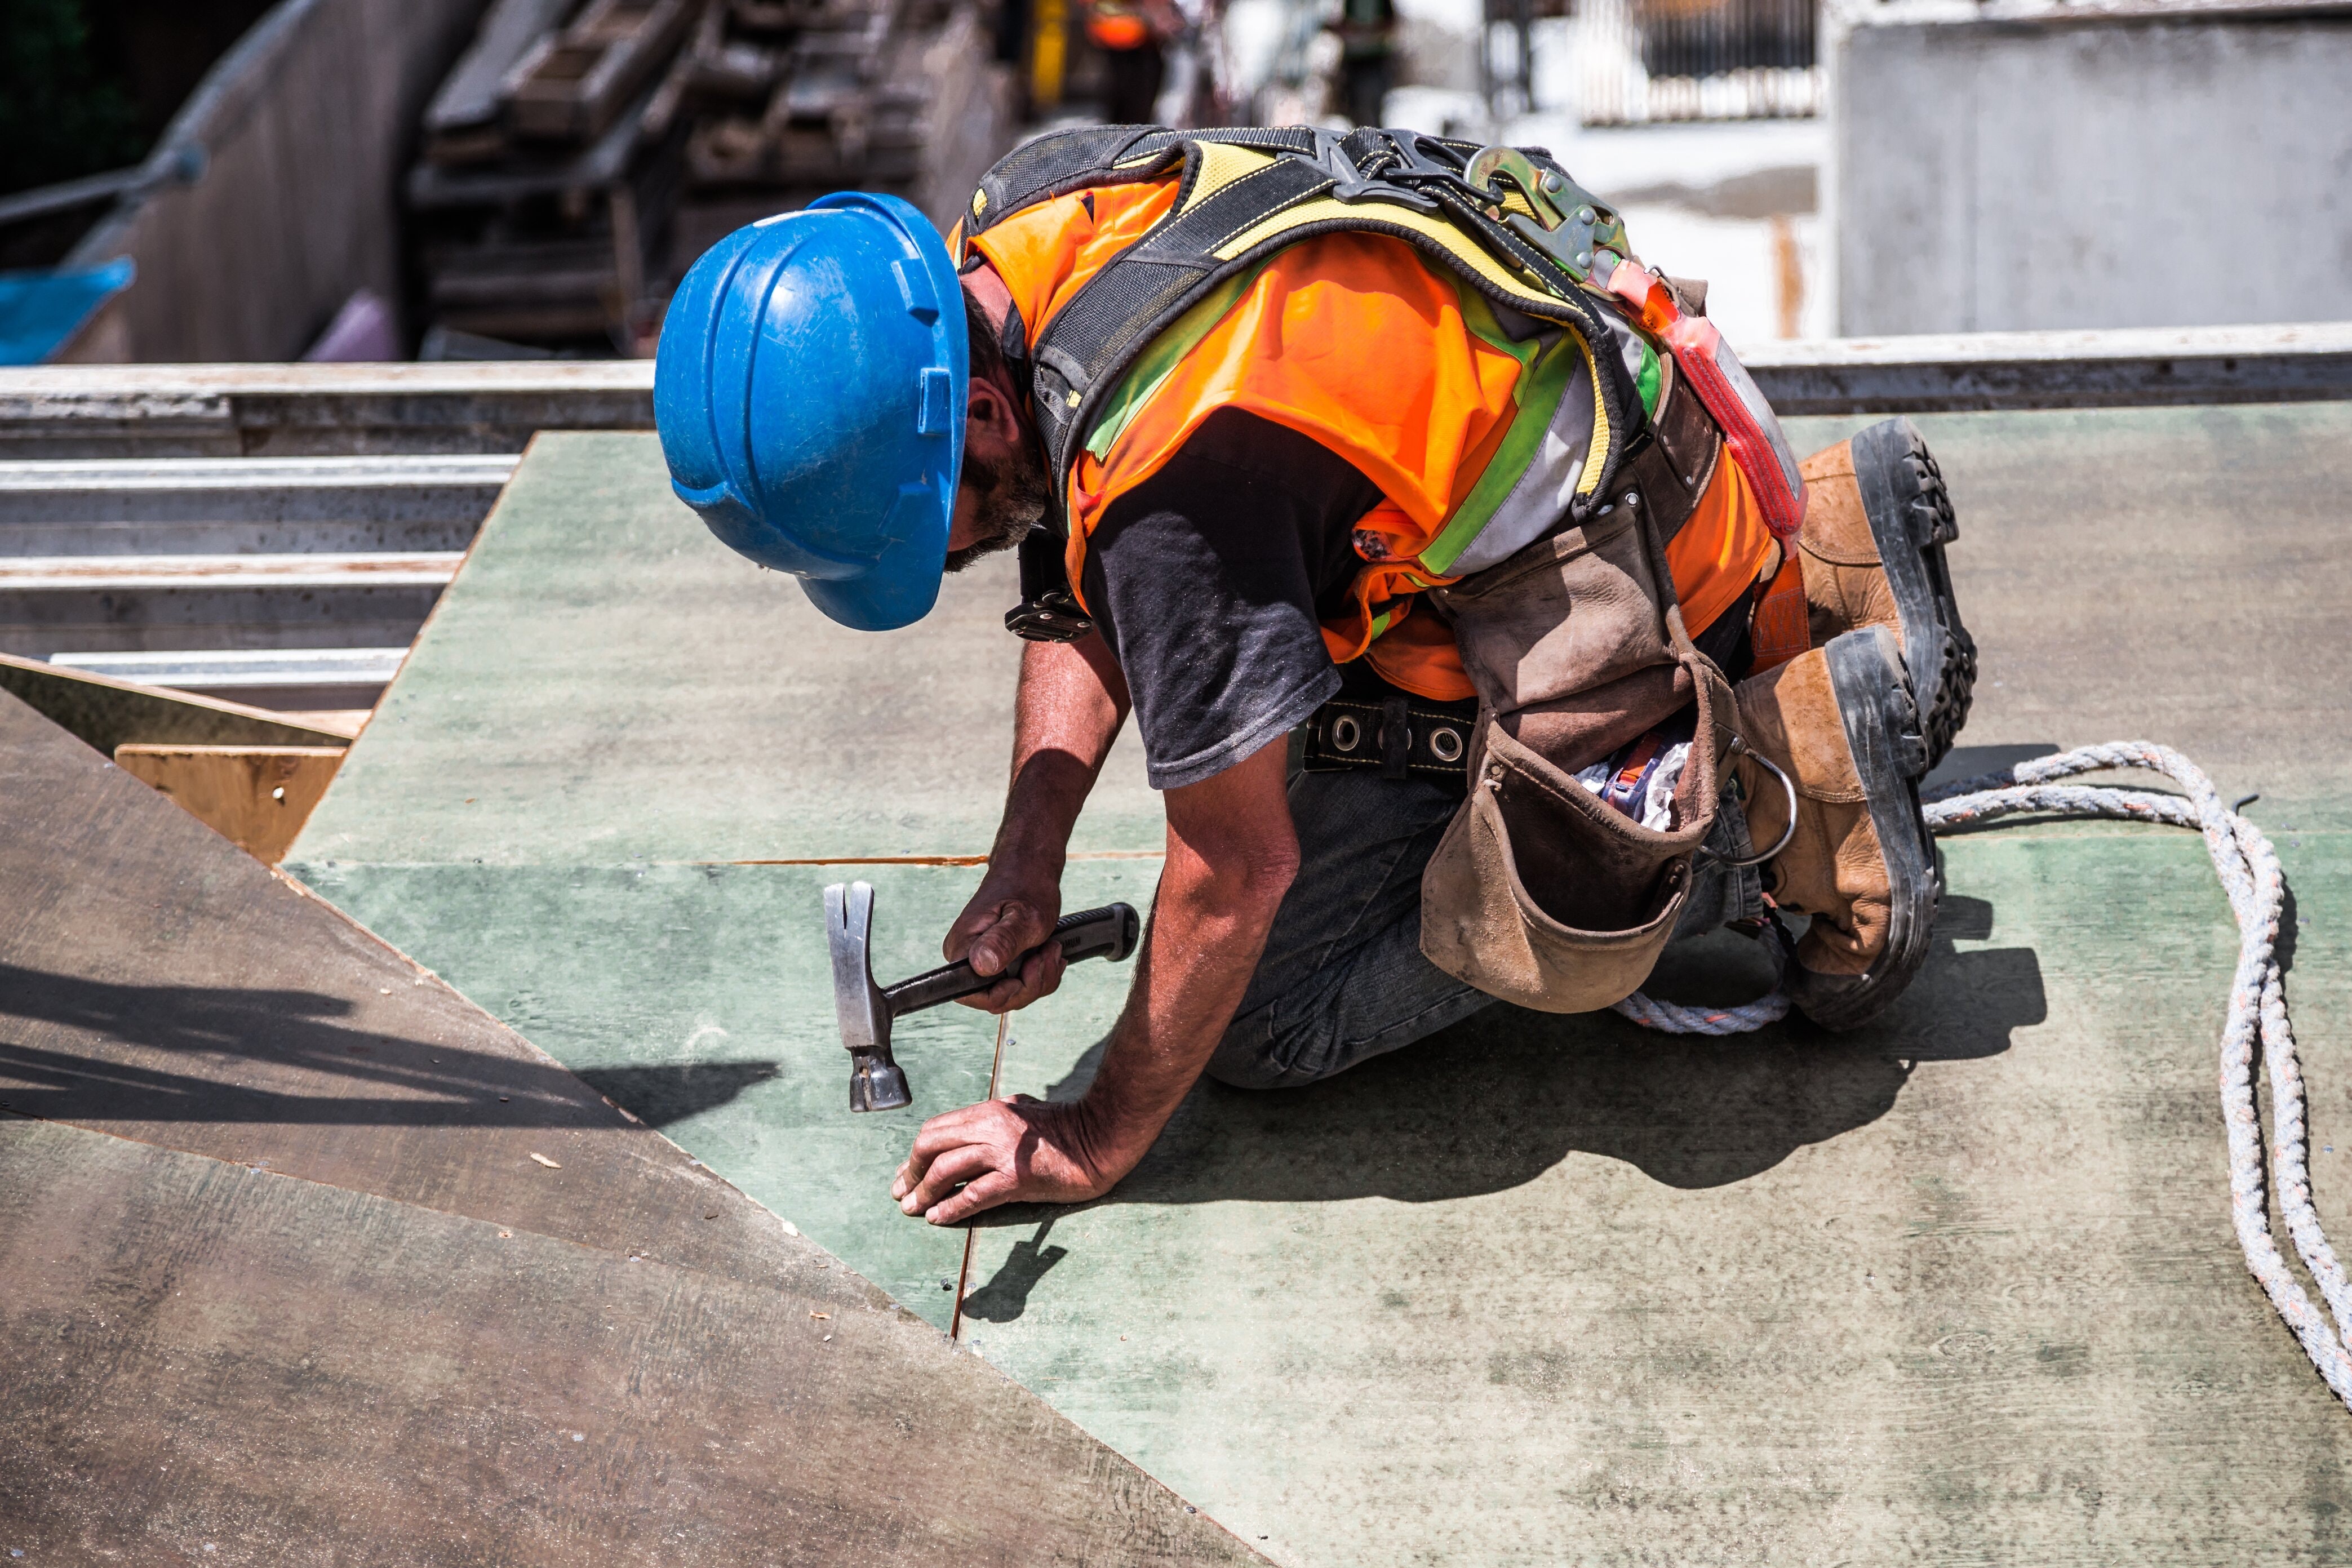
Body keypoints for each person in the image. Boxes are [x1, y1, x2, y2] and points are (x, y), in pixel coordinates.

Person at [653, 128, 1974, 1228]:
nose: (937, 569)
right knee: (1244, 724)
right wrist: (1026, 858)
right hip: (1640, 463)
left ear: (982, 416)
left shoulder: (1180, 477)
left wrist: (1092, 1135)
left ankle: (1774, 783)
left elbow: (1234, 871)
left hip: (1622, 594)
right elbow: (1074, 566)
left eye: (918, 537)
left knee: (1268, 1021)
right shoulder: (1030, 223)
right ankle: (1834, 553)